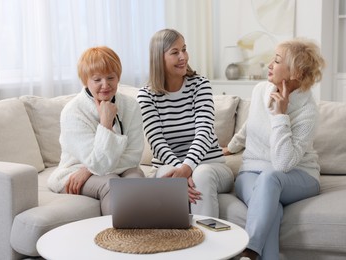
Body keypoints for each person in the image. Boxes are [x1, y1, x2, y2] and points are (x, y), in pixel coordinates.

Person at [223, 38, 325, 260]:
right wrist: (231, 147)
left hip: (298, 175)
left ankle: (249, 251)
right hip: (251, 172)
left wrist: (281, 115)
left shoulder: (308, 112)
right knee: (272, 210)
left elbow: (282, 164)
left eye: (277, 61)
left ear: (296, 73)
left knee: (271, 178)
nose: (269, 64)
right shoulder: (261, 90)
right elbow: (251, 124)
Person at [137, 28, 234, 218]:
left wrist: (187, 167)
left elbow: (204, 132)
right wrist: (181, 172)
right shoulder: (146, 95)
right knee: (167, 177)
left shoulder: (200, 85)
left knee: (202, 174)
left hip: (212, 165)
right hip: (170, 165)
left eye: (184, 49)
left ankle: (208, 244)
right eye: (175, 52)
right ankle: (173, 243)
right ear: (159, 58)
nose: (183, 57)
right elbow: (157, 142)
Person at [48, 46, 145, 215]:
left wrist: (88, 170)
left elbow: (133, 156)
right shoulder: (73, 111)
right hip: (73, 172)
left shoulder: (131, 106)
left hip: (94, 169)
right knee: (111, 183)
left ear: (118, 77)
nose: (105, 85)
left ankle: (141, 239)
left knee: (135, 179)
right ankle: (115, 240)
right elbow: (97, 163)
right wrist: (106, 123)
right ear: (86, 81)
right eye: (97, 79)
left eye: (111, 78)